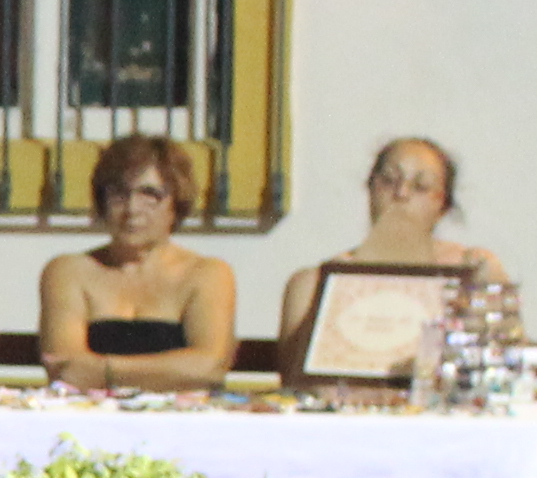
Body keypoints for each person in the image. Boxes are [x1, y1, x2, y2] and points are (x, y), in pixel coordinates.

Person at [273, 135, 512, 372]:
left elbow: (505, 364)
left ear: (443, 204)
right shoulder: (313, 283)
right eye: (388, 181)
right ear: (370, 190)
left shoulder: (474, 270)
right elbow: (295, 382)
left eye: (420, 186)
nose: (401, 194)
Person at [36, 133, 238, 393]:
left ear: (176, 202)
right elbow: (66, 370)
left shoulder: (206, 274)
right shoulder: (69, 271)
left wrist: (104, 369)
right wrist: (173, 370)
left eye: (150, 194)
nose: (132, 208)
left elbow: (209, 367)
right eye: (119, 193)